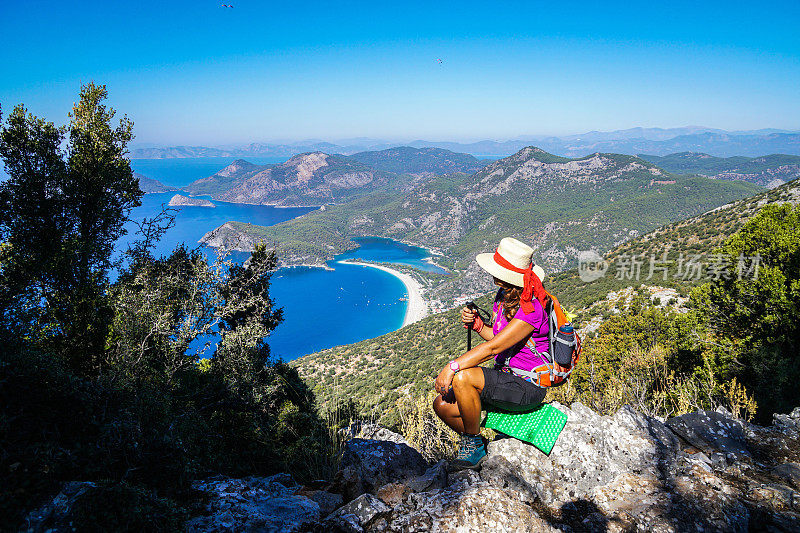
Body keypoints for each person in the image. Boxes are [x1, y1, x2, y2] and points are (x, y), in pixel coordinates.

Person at [432, 237, 550, 469]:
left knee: (463, 377)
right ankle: (481, 443)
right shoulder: (506, 297)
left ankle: (473, 446)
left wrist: (452, 366)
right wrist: (477, 325)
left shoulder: (531, 308)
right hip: (505, 378)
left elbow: (494, 348)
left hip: (528, 386)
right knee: (442, 406)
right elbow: (499, 340)